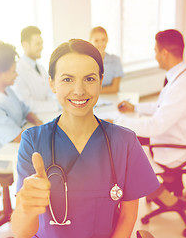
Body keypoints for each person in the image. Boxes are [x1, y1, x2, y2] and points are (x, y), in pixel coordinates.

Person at [11, 39, 159, 238]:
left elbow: (127, 216)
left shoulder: (125, 142)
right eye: (67, 79)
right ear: (52, 84)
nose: (79, 90)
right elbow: (21, 233)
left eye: (89, 79)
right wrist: (26, 208)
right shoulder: (33, 141)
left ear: (100, 80)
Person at [114, 29, 186, 196]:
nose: (155, 55)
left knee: (125, 148)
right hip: (175, 136)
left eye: (156, 51)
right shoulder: (182, 77)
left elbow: (155, 127)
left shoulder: (182, 87)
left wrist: (117, 122)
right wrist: (135, 108)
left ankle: (162, 196)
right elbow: (162, 107)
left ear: (164, 53)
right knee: (132, 138)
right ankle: (168, 185)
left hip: (179, 146)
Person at [0, 41, 43, 181]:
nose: (16, 75)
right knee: (45, 163)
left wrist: (37, 121)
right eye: (13, 71)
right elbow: (16, 137)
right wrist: (45, 133)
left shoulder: (7, 90)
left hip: (11, 148)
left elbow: (25, 110)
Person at [12, 26, 59, 113]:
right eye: (37, 44)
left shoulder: (40, 67)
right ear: (25, 45)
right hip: (32, 119)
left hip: (46, 114)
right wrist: (56, 105)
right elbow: (26, 104)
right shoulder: (18, 70)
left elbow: (50, 92)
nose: (41, 47)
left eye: (42, 43)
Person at [89, 26, 124, 94]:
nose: (100, 44)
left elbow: (115, 88)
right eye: (96, 41)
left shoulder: (115, 60)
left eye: (103, 40)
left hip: (111, 98)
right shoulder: (86, 62)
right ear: (90, 41)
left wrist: (93, 91)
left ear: (107, 40)